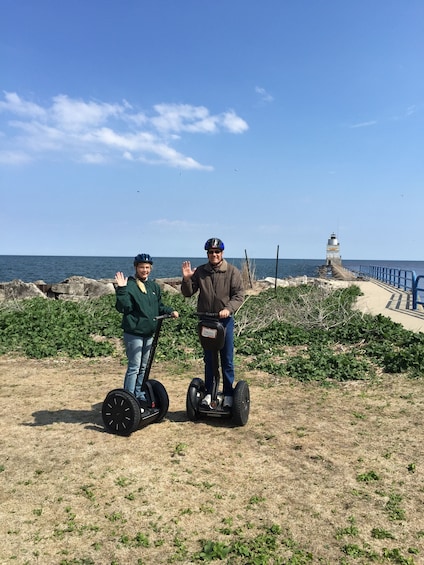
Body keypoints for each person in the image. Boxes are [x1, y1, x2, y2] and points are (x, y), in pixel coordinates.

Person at [181, 238, 244, 410]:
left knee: (227, 359)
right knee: (209, 359)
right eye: (211, 252)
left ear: (222, 253)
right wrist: (187, 279)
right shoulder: (201, 271)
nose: (214, 255)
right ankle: (210, 392)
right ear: (207, 254)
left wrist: (229, 309)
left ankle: (229, 394)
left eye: (217, 252)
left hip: (224, 322)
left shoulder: (232, 271)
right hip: (207, 322)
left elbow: (239, 295)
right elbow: (188, 293)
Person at [115, 253, 178, 413]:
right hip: (134, 333)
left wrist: (170, 311)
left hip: (149, 332)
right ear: (136, 267)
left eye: (147, 267)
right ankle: (129, 399)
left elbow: (158, 307)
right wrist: (121, 290)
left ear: (151, 268)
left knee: (144, 366)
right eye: (142, 267)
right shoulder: (129, 285)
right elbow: (124, 308)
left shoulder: (153, 287)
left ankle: (139, 393)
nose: (145, 270)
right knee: (134, 366)